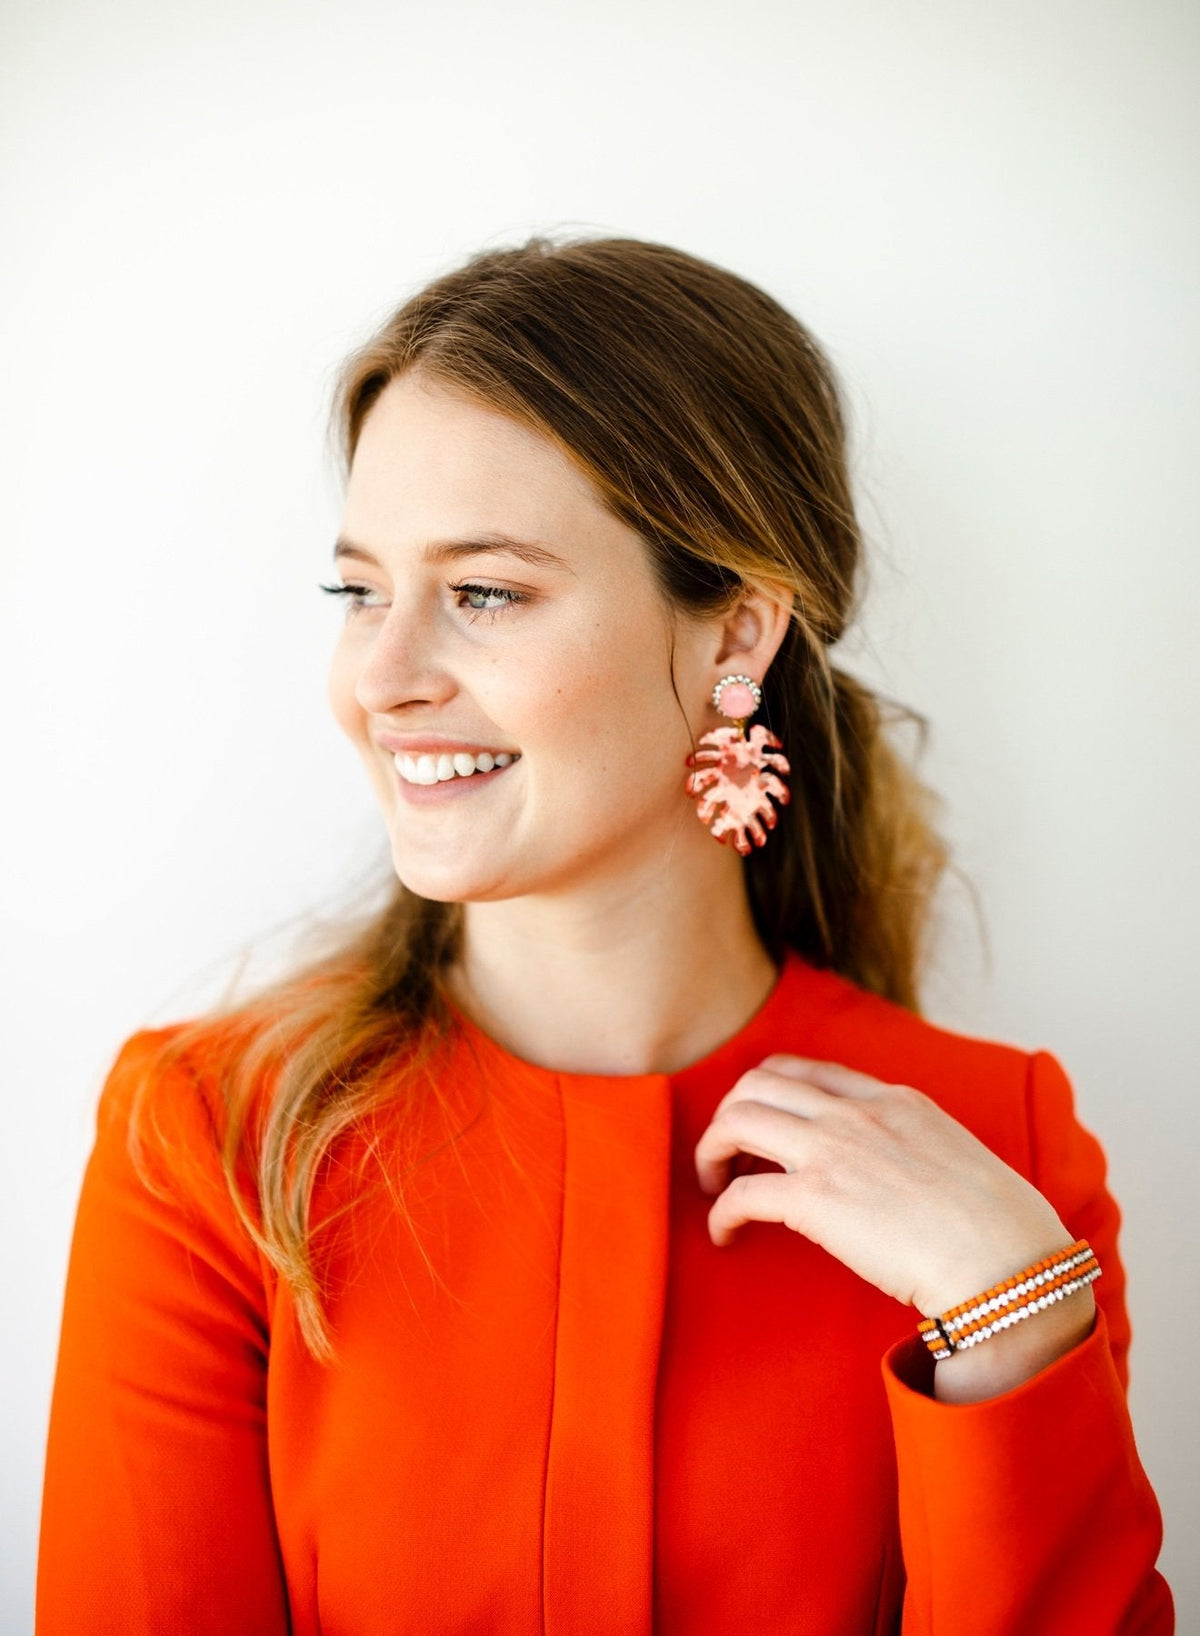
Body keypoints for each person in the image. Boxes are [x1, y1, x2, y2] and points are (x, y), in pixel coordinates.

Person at [37, 235, 1173, 1634]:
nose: (380, 678)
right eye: (360, 592)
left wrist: (1014, 1323)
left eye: (485, 592)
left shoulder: (1003, 1159)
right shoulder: (211, 1140)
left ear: (736, 636)